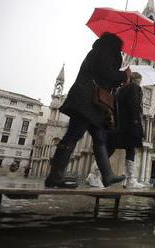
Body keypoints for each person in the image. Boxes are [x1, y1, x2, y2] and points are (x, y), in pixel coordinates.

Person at [45, 32, 131, 188]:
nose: (120, 50)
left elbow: (104, 79)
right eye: (119, 47)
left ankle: (107, 175)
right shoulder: (103, 52)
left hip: (91, 102)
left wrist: (120, 78)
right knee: (74, 135)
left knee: (99, 137)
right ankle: (55, 176)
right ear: (114, 45)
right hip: (86, 101)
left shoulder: (99, 51)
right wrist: (123, 75)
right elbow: (106, 73)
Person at [107, 72, 144, 188]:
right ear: (137, 80)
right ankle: (130, 179)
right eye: (140, 80)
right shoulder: (135, 88)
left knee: (109, 150)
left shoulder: (120, 90)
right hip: (131, 125)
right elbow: (134, 106)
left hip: (120, 125)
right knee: (131, 150)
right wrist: (136, 122)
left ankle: (94, 173)